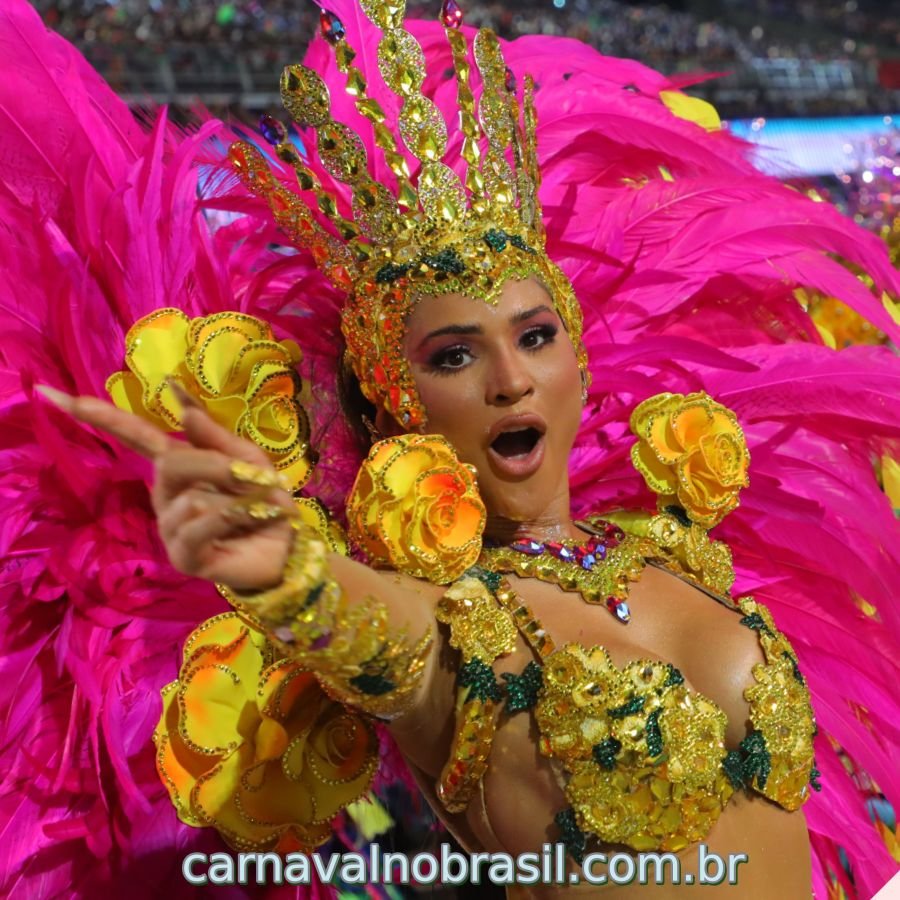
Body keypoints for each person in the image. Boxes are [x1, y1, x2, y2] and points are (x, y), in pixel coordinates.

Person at [1, 0, 898, 898]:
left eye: (537, 336)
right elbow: (370, 632)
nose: (510, 378)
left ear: (580, 364)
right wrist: (286, 567)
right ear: (397, 402)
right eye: (456, 355)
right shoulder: (455, 632)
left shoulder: (678, 552)